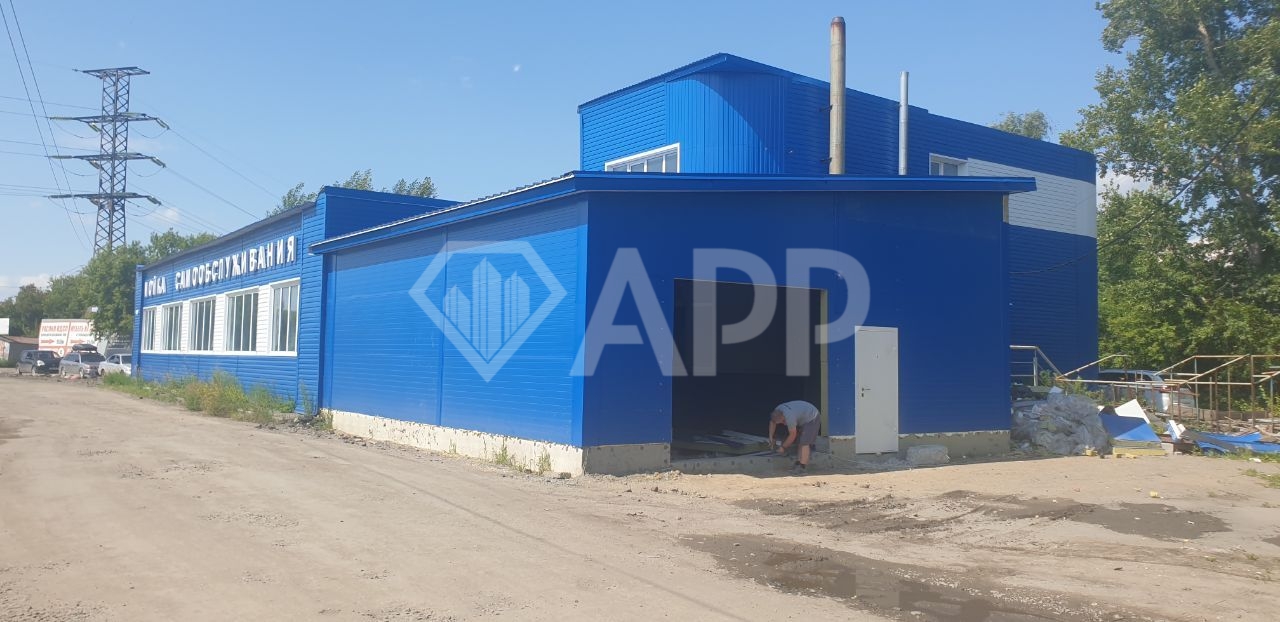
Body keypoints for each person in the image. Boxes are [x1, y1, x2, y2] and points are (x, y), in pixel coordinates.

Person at [768, 400, 820, 474]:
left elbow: (792, 435)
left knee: (804, 442)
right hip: (803, 414)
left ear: (783, 416)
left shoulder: (789, 417)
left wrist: (783, 447)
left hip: (812, 417)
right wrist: (771, 437)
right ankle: (798, 463)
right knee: (800, 441)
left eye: (783, 421)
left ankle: (802, 467)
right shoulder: (777, 410)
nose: (784, 424)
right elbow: (772, 422)